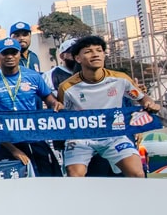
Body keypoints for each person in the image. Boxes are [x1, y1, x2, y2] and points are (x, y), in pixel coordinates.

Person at [56, 35, 161, 178]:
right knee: (75, 175)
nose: (95, 54)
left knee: (137, 173)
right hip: (81, 138)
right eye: (88, 51)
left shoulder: (121, 79)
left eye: (99, 50)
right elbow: (64, 115)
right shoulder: (66, 87)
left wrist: (149, 103)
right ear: (77, 58)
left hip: (114, 135)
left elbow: (142, 98)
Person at [0, 37, 62, 176]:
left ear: (19, 54)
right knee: (11, 182)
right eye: (5, 53)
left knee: (47, 176)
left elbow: (48, 98)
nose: (9, 57)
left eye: (13, 53)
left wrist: (55, 104)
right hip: (6, 140)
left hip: (33, 135)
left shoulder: (33, 76)